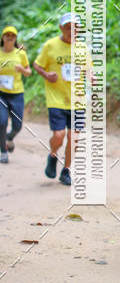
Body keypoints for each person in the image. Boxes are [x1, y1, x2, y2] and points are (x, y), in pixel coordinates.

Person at [34, 12, 84, 186]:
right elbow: (37, 64)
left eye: (75, 27)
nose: (72, 30)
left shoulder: (82, 49)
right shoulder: (50, 45)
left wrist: (92, 77)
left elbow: (89, 69)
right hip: (56, 99)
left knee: (74, 137)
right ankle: (53, 155)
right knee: (59, 135)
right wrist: (46, 74)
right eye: (68, 27)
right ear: (61, 28)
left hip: (77, 100)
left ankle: (66, 170)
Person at [0, 26, 31, 163]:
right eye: (7, 35)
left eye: (12, 35)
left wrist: (23, 69)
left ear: (15, 38)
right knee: (1, 122)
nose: (10, 37)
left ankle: (9, 137)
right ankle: (3, 152)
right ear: (3, 37)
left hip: (17, 93)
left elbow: (29, 72)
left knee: (17, 125)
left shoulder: (21, 54)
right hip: (1, 94)